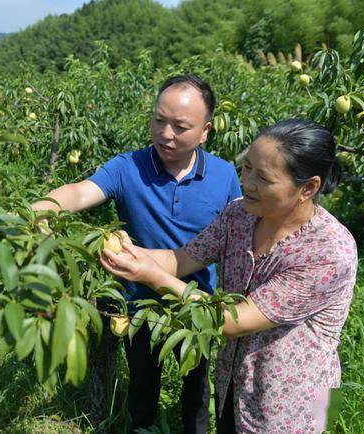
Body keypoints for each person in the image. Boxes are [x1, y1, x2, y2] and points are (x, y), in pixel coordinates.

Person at [100, 118, 358, 433]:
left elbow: (231, 322)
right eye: (247, 168)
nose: (247, 183)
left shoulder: (329, 252)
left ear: (308, 187)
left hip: (295, 404)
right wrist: (124, 253)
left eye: (263, 177)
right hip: (235, 384)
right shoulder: (240, 214)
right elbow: (181, 259)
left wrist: (153, 278)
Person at [32, 74, 242, 433]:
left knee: (196, 393)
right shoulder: (128, 166)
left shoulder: (224, 175)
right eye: (159, 120)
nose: (166, 134)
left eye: (180, 126)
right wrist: (42, 209)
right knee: (142, 388)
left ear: (205, 131)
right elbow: (80, 192)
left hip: (195, 304)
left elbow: (237, 236)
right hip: (140, 306)